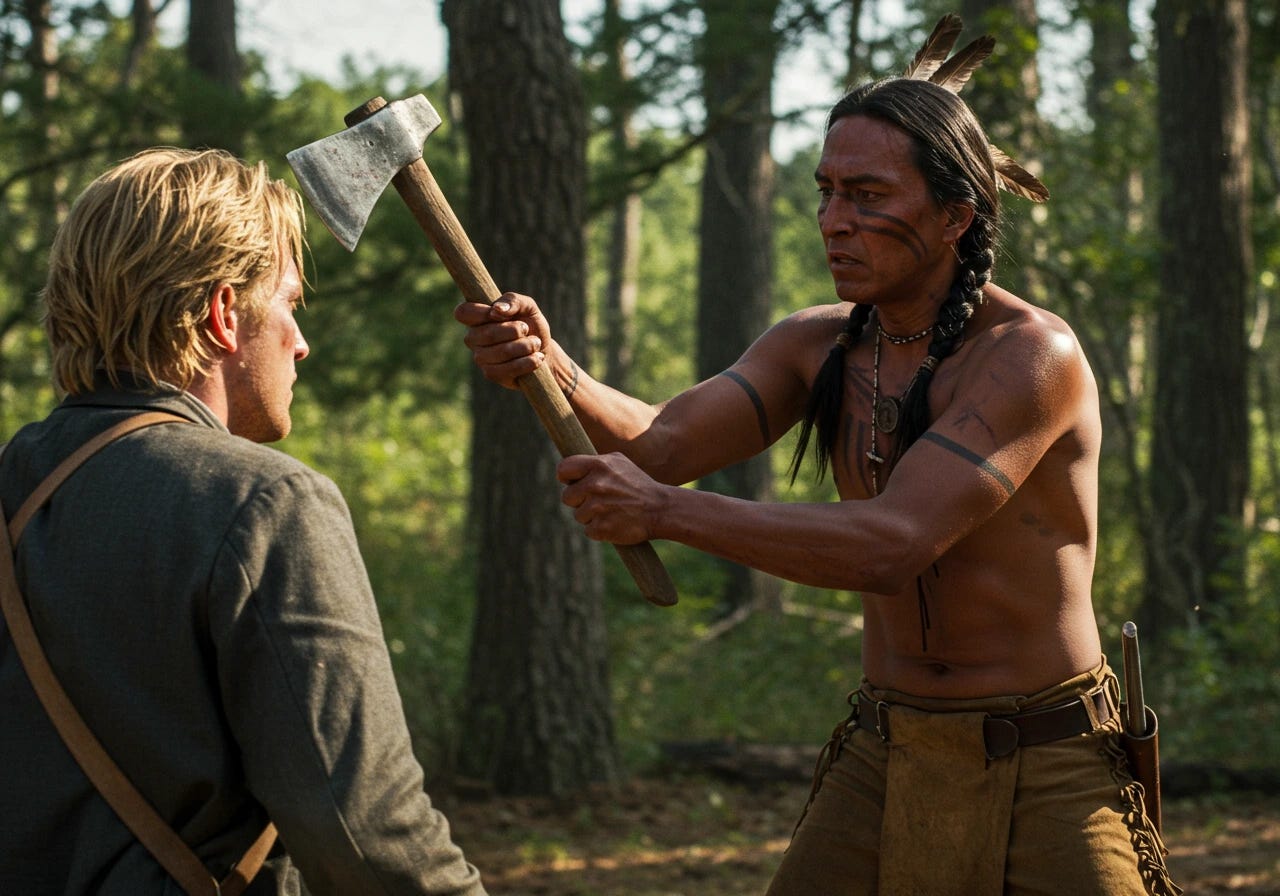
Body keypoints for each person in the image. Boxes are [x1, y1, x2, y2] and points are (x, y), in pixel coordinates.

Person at [454, 24, 1180, 896]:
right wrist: (550, 366)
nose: (836, 221)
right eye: (827, 192)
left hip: (1050, 754)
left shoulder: (1030, 358)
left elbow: (892, 544)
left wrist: (664, 514)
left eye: (869, 195)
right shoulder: (818, 343)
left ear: (957, 216)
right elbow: (663, 444)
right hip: (887, 744)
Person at [0, 148, 486, 895]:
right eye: (290, 303)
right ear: (226, 316)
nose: (301, 341)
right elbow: (366, 840)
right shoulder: (264, 504)